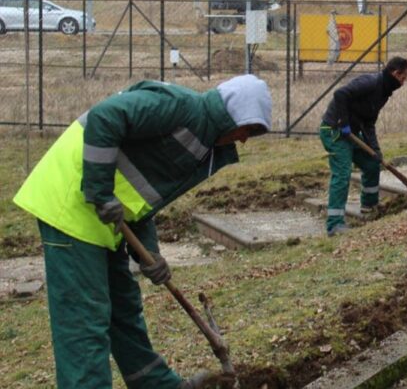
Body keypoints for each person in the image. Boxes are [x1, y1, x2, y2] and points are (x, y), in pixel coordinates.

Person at [13, 75, 273, 389]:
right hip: (71, 202)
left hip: (104, 220)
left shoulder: (204, 146)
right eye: (248, 129)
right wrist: (99, 188)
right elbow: (106, 117)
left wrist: (149, 253)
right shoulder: (179, 108)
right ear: (231, 116)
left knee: (124, 307)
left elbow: (142, 194)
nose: (244, 140)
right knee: (85, 320)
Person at [319, 56, 407, 236]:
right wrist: (344, 123)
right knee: (343, 173)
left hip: (352, 134)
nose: (403, 83)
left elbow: (369, 123)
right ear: (395, 73)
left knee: (371, 164)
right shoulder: (370, 82)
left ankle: (369, 207)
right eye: (403, 78)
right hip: (334, 130)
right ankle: (335, 224)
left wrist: (375, 151)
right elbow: (340, 94)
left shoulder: (383, 94)